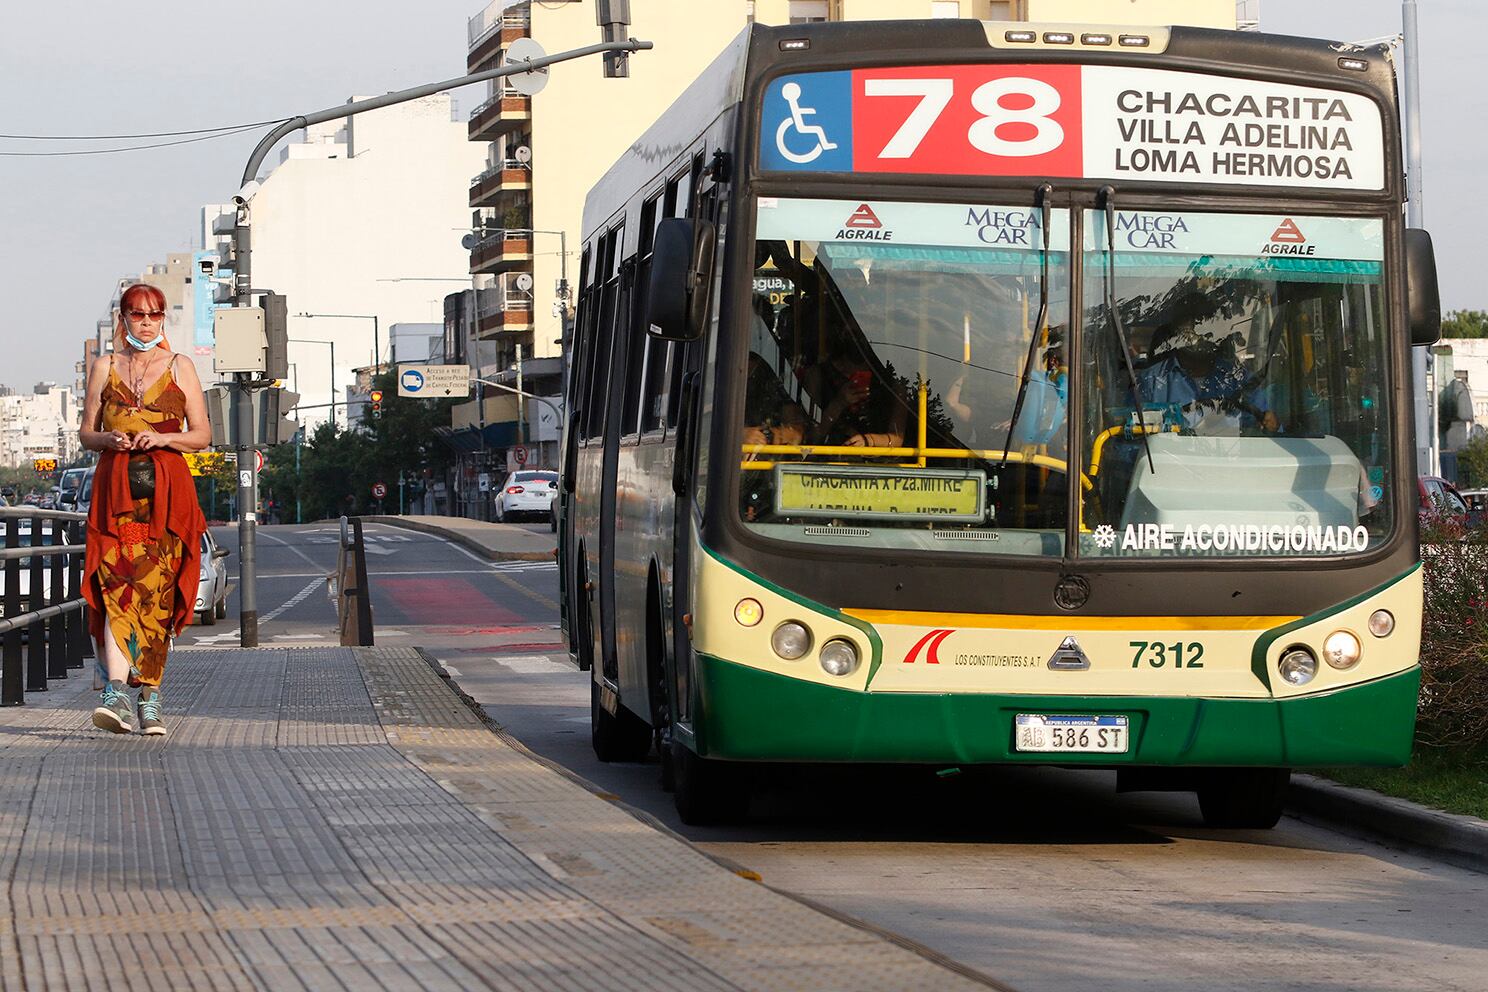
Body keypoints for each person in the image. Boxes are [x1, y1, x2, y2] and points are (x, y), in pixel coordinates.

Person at [79, 283, 210, 736]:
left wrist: (163, 438)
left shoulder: (181, 366)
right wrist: (109, 440)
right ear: (125, 318)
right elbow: (85, 433)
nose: (148, 322)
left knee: (154, 594)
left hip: (167, 503)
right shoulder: (104, 366)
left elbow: (202, 435)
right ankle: (116, 692)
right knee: (117, 587)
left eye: (155, 315)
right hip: (117, 501)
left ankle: (150, 696)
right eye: (138, 315)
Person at [1136, 309, 1278, 434]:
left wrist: (1271, 426)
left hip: (1232, 462)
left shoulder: (1239, 378)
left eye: (1203, 323)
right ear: (1175, 332)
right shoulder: (1151, 382)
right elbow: (1130, 446)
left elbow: (1272, 436)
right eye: (1189, 325)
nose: (1197, 332)